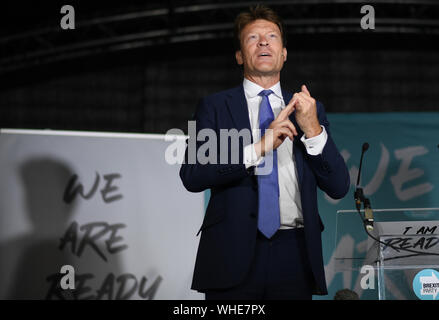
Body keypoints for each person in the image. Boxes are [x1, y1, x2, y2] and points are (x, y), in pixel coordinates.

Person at [180, 5, 350, 300]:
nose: (263, 42)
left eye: (272, 36)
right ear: (239, 55)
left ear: (284, 53)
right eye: (252, 37)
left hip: (294, 253)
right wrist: (259, 147)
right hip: (231, 249)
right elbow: (193, 175)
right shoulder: (214, 106)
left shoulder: (309, 109)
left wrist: (313, 131)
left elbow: (338, 186)